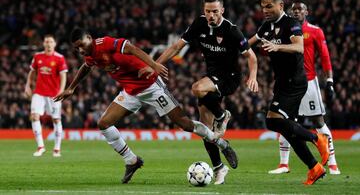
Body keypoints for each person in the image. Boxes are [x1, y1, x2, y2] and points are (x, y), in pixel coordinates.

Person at [54, 28, 238, 184]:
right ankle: (131, 160)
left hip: (151, 86)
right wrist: (71, 88)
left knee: (184, 124)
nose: (79, 50)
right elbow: (86, 67)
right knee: (103, 123)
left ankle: (221, 143)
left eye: (81, 45)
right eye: (76, 48)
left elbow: (132, 49)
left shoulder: (105, 43)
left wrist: (154, 65)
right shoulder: (90, 54)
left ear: (89, 39)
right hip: (130, 92)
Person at [156, 0, 258, 185]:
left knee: (196, 88)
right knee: (204, 128)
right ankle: (220, 167)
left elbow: (251, 57)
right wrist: (155, 64)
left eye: (215, 11)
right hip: (211, 78)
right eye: (207, 11)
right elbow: (176, 47)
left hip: (229, 78)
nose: (211, 15)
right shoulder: (199, 24)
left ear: (222, 11)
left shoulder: (231, 30)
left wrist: (253, 77)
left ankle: (222, 115)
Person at [248, 0, 330, 185]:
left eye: (269, 6)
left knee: (272, 121)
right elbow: (248, 43)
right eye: (263, 7)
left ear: (281, 6)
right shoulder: (266, 26)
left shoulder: (291, 23)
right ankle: (315, 168)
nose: (265, 10)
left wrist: (278, 47)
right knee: (288, 130)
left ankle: (317, 138)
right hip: (282, 82)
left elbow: (299, 47)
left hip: (295, 81)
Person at [268, 0, 340, 175]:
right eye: (294, 10)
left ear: (307, 12)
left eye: (300, 10)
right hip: (288, 83)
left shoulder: (315, 31)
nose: (297, 12)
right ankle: (284, 164)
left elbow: (325, 57)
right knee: (284, 122)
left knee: (318, 121)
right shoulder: (287, 30)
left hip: (308, 82)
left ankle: (332, 163)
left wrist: (329, 82)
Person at [25, 34, 68, 157]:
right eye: (46, 42)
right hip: (39, 93)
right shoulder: (37, 56)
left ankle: (57, 149)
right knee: (34, 116)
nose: (48, 44)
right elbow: (32, 72)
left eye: (51, 42)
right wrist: (28, 85)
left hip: (54, 94)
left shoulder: (60, 58)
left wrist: (61, 90)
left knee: (56, 119)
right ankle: (40, 147)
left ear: (55, 44)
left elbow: (63, 75)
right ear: (43, 44)